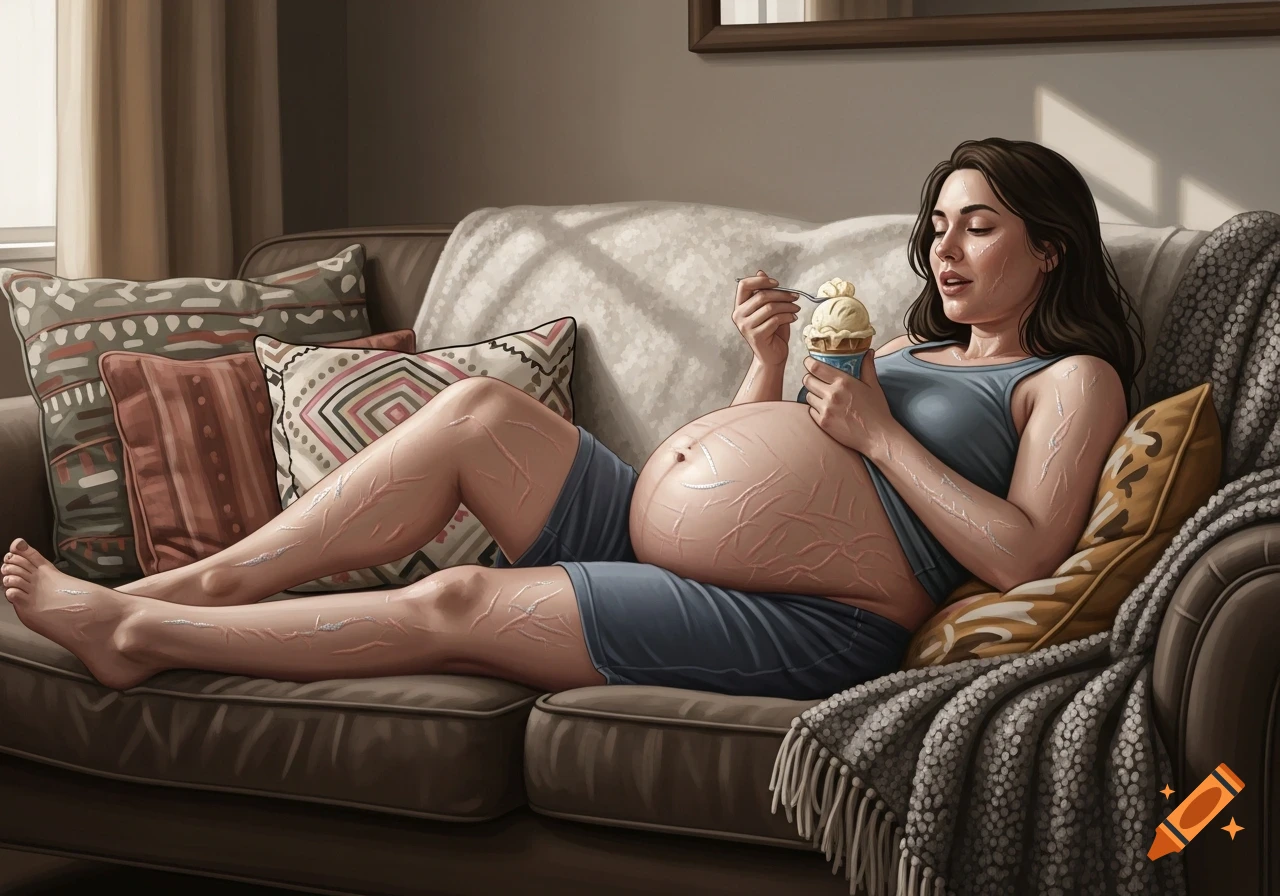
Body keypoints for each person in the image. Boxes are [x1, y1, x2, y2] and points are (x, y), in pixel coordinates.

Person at [3, 137, 1141, 699]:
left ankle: (135, 636)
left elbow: (1025, 550)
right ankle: (172, 585)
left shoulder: (1066, 379)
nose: (941, 247)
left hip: (816, 619)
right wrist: (764, 365)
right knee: (480, 410)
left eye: (977, 226)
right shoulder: (893, 346)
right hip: (660, 529)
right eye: (935, 223)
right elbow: (746, 450)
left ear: (1048, 247)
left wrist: (879, 433)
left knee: (456, 596)